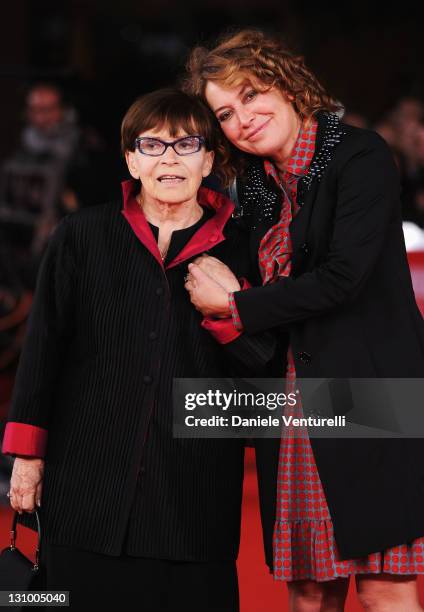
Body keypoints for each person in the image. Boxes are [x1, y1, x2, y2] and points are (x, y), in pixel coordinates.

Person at [1, 87, 277, 611]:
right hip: (85, 487)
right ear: (131, 158)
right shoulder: (81, 236)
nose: (169, 159)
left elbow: (266, 371)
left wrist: (231, 312)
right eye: (152, 145)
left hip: (193, 496)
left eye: (186, 144)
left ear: (211, 160)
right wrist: (27, 458)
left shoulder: (245, 245)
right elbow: (42, 352)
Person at [183, 29, 424, 611]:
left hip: (371, 396)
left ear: (284, 82)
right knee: (309, 592)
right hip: (291, 402)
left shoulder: (357, 154)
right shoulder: (259, 188)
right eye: (226, 112)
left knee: (384, 588)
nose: (244, 117)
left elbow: (343, 279)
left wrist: (237, 307)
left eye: (250, 93)